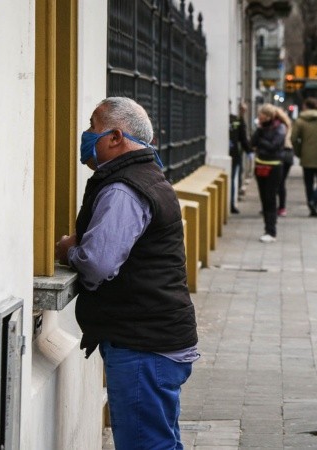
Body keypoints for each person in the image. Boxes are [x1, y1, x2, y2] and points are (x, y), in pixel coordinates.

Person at [55, 97, 199, 449]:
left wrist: (67, 250)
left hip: (143, 345)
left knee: (146, 444)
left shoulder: (124, 188)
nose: (86, 134)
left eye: (92, 126)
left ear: (116, 136)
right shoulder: (146, 177)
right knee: (160, 441)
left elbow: (98, 263)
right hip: (156, 339)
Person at [251, 103, 287, 243]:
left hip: (274, 167)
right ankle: (267, 229)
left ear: (267, 116)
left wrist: (261, 140)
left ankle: (271, 231)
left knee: (270, 198)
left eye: (261, 115)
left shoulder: (280, 128)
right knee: (264, 199)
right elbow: (252, 142)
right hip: (260, 166)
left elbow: (274, 146)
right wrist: (259, 132)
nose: (259, 117)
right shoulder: (261, 128)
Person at [229, 102, 251, 214]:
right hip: (234, 154)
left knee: (233, 180)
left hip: (234, 154)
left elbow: (242, 138)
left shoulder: (235, 120)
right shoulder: (235, 120)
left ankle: (232, 204)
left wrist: (249, 151)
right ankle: (231, 204)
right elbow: (243, 138)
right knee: (232, 180)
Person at [274, 106, 294, 217]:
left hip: (281, 153)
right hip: (289, 153)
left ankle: (280, 207)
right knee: (281, 182)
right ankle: (281, 207)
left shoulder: (278, 125)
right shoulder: (287, 123)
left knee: (278, 182)